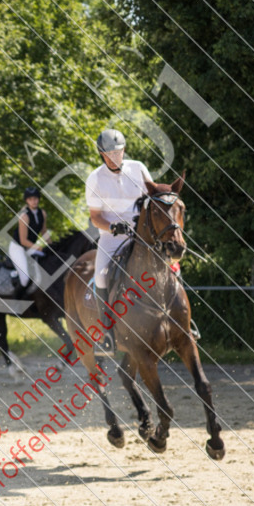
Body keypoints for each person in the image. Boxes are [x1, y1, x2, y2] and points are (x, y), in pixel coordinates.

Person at [85, 129, 152, 353]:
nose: (115, 157)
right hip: (112, 238)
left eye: (119, 152)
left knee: (170, 263)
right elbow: (95, 218)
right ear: (102, 154)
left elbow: (153, 201)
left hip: (143, 234)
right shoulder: (95, 178)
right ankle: (107, 336)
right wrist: (113, 226)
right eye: (110, 153)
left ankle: (183, 322)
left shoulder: (139, 168)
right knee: (101, 277)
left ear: (124, 151)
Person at [7, 186, 49, 294]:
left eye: (35, 198)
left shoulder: (42, 213)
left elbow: (44, 232)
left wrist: (52, 247)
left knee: (47, 259)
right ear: (27, 201)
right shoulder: (24, 216)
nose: (34, 201)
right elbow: (23, 241)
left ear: (38, 199)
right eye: (30, 199)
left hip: (30, 247)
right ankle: (16, 302)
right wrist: (38, 247)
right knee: (25, 279)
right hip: (18, 248)